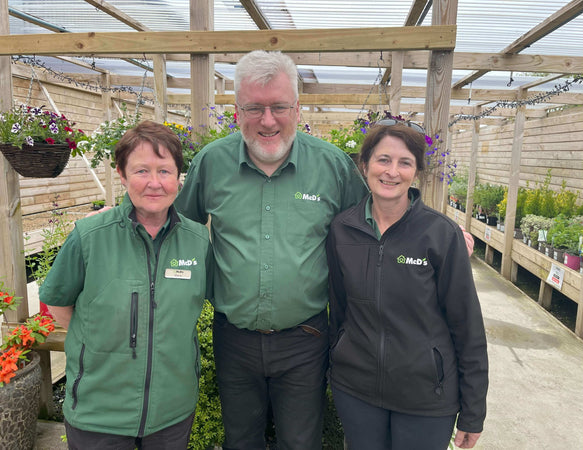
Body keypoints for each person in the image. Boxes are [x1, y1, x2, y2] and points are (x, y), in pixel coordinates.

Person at [174, 50, 369, 450]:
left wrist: (435, 230)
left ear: (297, 108)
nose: (267, 120)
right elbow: (175, 226)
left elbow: (375, 228)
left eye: (278, 106)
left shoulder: (332, 167)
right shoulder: (211, 163)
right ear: (236, 110)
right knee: (240, 440)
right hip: (234, 339)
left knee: (301, 442)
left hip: (306, 339)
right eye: (254, 108)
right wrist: (124, 214)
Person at [40, 121, 213, 449]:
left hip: (171, 413)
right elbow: (59, 305)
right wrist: (97, 341)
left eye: (164, 171)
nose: (154, 183)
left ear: (179, 177)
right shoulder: (89, 237)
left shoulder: (197, 241)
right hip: (99, 414)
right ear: (121, 174)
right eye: (141, 171)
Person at [326, 121, 488, 450]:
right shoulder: (342, 231)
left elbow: (467, 326)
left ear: (417, 172)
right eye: (383, 159)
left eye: (405, 162)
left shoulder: (441, 235)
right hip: (357, 392)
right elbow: (338, 310)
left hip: (426, 398)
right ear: (365, 164)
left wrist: (474, 412)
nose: (392, 171)